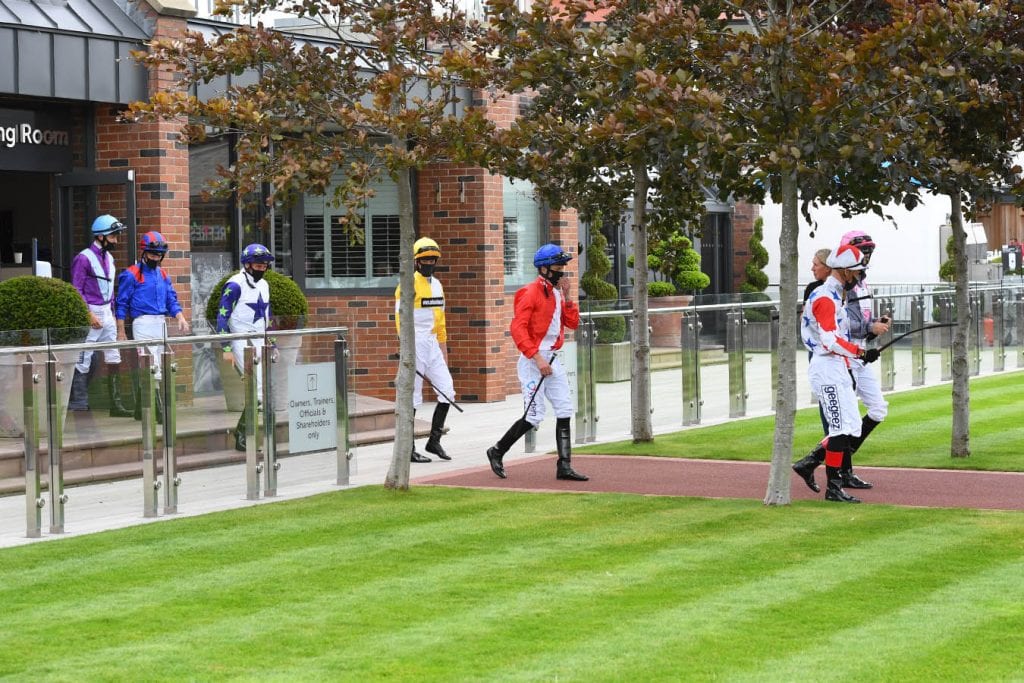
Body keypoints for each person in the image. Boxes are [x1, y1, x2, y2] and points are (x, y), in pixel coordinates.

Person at [793, 233, 889, 493]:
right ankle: (833, 487)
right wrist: (860, 353)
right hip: (826, 367)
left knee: (850, 426)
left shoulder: (837, 296)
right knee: (839, 428)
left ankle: (811, 465)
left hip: (838, 365)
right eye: (856, 272)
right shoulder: (825, 297)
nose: (859, 277)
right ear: (846, 271)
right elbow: (829, 340)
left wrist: (858, 352)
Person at [486, 243, 588, 481]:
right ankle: (497, 450)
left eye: (563, 267)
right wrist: (537, 357)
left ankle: (564, 466)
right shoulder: (530, 292)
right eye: (558, 268)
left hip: (552, 358)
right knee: (534, 415)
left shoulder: (557, 293)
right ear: (544, 269)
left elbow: (572, 324)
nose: (562, 272)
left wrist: (568, 297)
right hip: (533, 360)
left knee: (565, 409)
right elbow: (517, 328)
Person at [116, 231, 191, 423]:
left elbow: (171, 299)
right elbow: (121, 303)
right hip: (142, 322)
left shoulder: (163, 274)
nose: (156, 258)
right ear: (144, 252)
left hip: (160, 322)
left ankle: (140, 411)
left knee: (159, 363)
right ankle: (159, 411)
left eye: (159, 255)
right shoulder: (131, 274)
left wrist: (180, 317)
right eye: (152, 254)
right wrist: (121, 330)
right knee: (151, 364)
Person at [396, 237, 455, 463]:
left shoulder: (438, 285)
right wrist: (406, 351)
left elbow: (441, 322)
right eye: (425, 259)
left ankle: (434, 441)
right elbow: (400, 320)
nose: (429, 263)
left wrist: (443, 352)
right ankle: (408, 448)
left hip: (432, 343)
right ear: (417, 261)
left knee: (447, 390)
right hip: (415, 343)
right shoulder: (407, 284)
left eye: (432, 259)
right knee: (413, 396)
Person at [67, 214, 132, 417]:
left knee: (114, 356)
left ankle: (116, 405)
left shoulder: (109, 258)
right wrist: (87, 314)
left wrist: (111, 312)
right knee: (83, 358)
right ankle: (79, 402)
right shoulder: (83, 258)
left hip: (106, 311)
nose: (116, 240)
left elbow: (110, 289)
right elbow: (76, 289)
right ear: (101, 236)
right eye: (113, 236)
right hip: (91, 311)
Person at [216, 244, 276, 452]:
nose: (262, 269)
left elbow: (267, 317)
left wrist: (272, 342)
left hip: (260, 340)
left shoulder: (264, 285)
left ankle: (244, 434)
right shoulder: (235, 285)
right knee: (257, 391)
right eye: (258, 265)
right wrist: (226, 349)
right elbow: (222, 316)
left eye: (265, 266)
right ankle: (243, 435)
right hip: (241, 341)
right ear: (247, 265)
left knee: (264, 390)